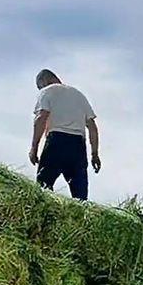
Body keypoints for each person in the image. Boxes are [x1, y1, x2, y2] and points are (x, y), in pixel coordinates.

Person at [29, 69, 101, 200]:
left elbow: (41, 118)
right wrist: (94, 154)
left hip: (57, 142)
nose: (41, 89)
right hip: (78, 146)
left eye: (40, 86)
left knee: (43, 188)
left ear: (44, 81)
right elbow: (92, 127)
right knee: (80, 196)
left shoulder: (47, 91)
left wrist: (34, 148)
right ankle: (81, 219)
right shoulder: (79, 95)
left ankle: (45, 219)